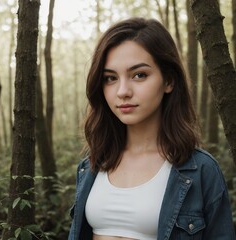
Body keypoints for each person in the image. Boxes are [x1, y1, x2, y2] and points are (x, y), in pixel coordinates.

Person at [68, 18, 235, 240]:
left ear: (169, 80)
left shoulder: (201, 171)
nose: (123, 91)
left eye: (139, 75)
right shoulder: (91, 166)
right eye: (110, 78)